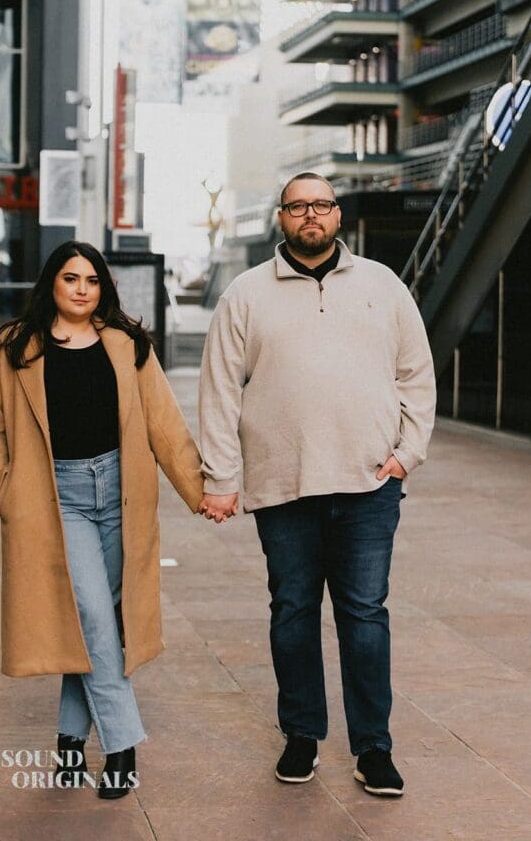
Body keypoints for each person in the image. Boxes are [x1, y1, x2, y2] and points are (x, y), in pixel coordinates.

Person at [198, 172, 436, 797]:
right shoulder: (246, 295)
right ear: (282, 217)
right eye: (299, 206)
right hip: (283, 486)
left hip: (368, 484)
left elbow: (416, 373)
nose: (312, 216)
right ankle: (302, 735)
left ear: (337, 216)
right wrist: (222, 477)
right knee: (294, 612)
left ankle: (373, 748)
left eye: (322, 205)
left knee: (364, 615)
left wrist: (407, 454)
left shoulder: (382, 286)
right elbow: (219, 393)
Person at [0, 241, 203, 799]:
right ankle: (121, 750)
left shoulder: (127, 345)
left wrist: (201, 492)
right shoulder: (8, 348)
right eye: (71, 278)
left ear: (104, 287)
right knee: (98, 621)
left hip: (122, 493)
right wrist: (7, 490)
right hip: (57, 499)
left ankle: (71, 746)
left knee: (93, 625)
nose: (82, 288)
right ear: (52, 283)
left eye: (92, 280)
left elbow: (164, 426)